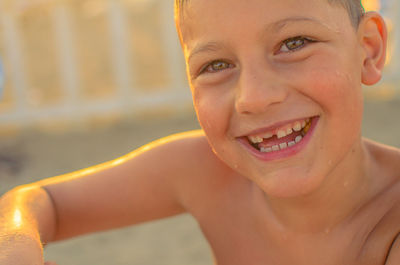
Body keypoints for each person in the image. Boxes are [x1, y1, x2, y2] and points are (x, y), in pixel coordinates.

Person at [1, 0, 399, 264]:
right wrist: (17, 247)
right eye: (216, 65)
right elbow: (37, 201)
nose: (255, 98)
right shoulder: (203, 172)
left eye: (294, 43)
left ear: (368, 48)